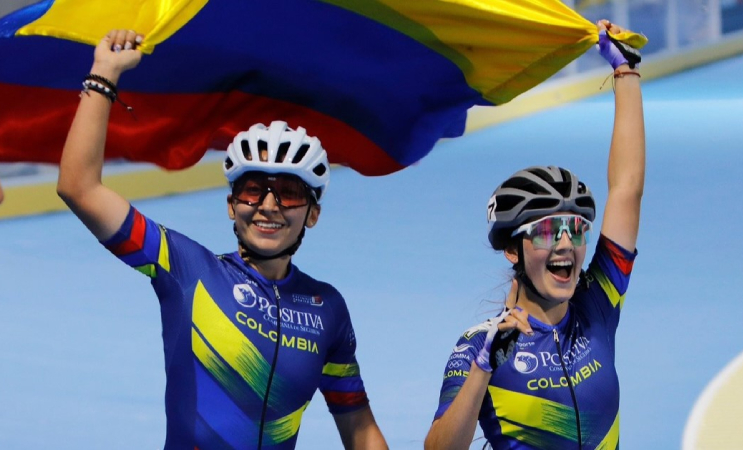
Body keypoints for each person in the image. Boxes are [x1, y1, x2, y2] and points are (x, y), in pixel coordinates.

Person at [57, 30, 388, 450]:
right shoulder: (185, 268)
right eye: (253, 190)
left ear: (313, 213)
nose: (268, 206)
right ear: (232, 204)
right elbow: (79, 187)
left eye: (288, 192)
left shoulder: (327, 309)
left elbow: (359, 427)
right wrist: (103, 74)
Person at [424, 20, 644, 450]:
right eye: (545, 231)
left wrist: (627, 73)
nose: (564, 243)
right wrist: (483, 369)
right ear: (512, 249)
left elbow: (627, 188)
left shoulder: (598, 304)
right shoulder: (479, 347)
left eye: (575, 229)